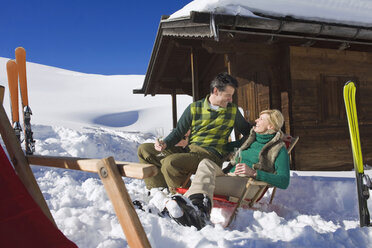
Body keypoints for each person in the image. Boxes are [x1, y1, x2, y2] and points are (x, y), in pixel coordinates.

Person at [165, 109, 290, 230]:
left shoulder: (278, 148)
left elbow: (284, 181)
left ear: (271, 126)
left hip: (249, 184)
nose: (256, 120)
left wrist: (253, 172)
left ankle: (198, 213)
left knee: (205, 182)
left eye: (261, 119)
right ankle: (185, 208)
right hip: (230, 176)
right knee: (206, 163)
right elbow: (226, 147)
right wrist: (192, 144)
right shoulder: (251, 138)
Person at [137, 72, 251, 192]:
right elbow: (178, 132)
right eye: (228, 95)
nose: (231, 99)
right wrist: (165, 143)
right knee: (144, 149)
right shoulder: (195, 107)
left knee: (171, 163)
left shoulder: (232, 111)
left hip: (210, 156)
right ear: (216, 91)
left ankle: (184, 199)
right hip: (190, 150)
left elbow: (249, 133)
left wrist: (233, 146)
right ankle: (159, 191)